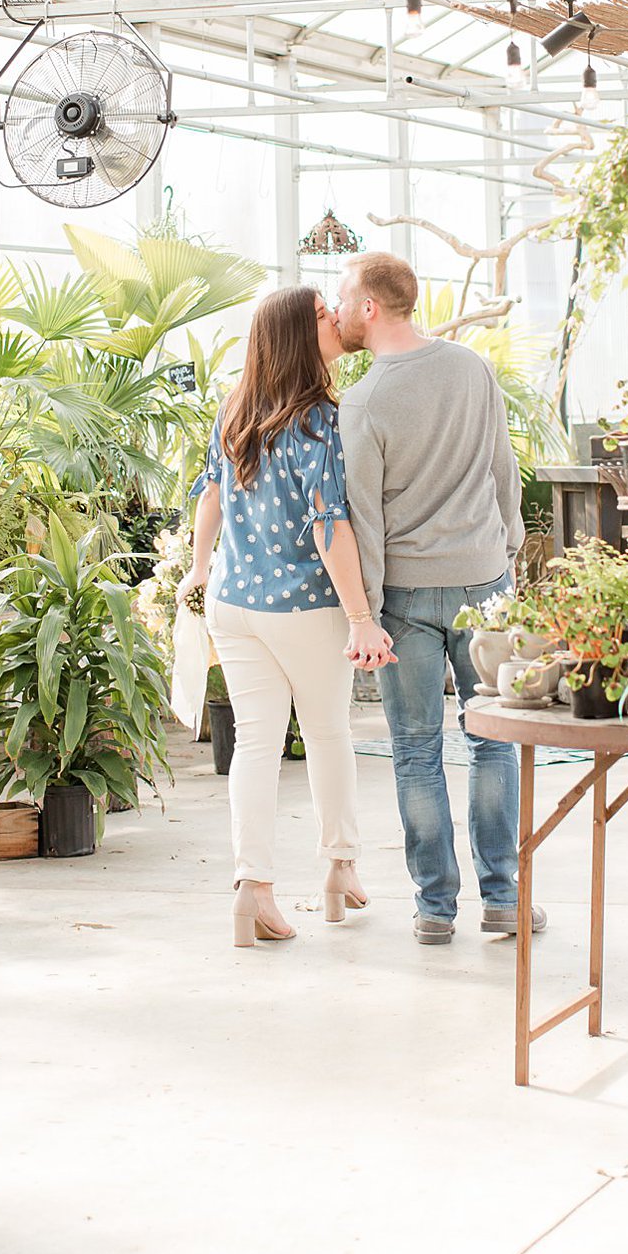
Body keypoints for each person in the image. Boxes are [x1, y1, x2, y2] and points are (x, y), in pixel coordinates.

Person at [335, 252, 546, 946]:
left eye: (343, 298)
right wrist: (503, 551)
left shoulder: (364, 402)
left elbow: (362, 517)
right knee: (492, 740)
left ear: (370, 306)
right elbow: (503, 469)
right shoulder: (471, 369)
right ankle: (505, 899)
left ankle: (434, 909)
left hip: (404, 594)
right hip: (485, 583)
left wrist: (364, 610)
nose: (337, 313)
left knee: (416, 751)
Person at [180, 285, 395, 949]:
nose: (336, 318)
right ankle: (340, 867)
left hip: (234, 605)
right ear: (304, 337)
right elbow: (330, 527)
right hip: (306, 606)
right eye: (325, 315)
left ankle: (255, 888)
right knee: (329, 735)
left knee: (254, 742)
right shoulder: (321, 422)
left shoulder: (235, 409)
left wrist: (198, 567)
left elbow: (210, 498)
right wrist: (361, 618)